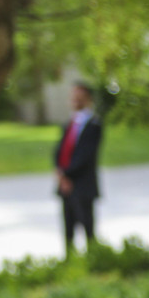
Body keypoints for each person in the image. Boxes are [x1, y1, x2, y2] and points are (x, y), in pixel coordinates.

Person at [53, 81, 104, 255]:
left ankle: (93, 261)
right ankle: (69, 262)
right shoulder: (69, 124)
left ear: (88, 99)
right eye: (73, 97)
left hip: (82, 185)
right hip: (65, 186)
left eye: (79, 97)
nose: (75, 100)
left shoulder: (94, 125)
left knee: (87, 228)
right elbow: (59, 151)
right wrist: (59, 174)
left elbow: (85, 156)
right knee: (68, 230)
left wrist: (67, 175)